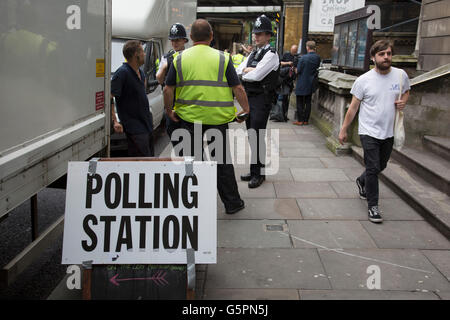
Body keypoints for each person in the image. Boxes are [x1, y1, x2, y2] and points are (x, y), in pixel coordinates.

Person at [163, 19, 250, 215]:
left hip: (188, 118)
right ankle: (232, 203)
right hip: (216, 120)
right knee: (221, 161)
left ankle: (197, 203)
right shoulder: (223, 58)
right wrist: (245, 109)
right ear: (212, 37)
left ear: (191, 38)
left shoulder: (179, 59)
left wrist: (169, 110)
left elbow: (168, 89)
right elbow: (237, 87)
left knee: (194, 160)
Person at [338, 40, 410, 223]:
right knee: (372, 168)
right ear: (373, 57)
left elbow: (407, 91)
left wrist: (404, 101)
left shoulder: (401, 75)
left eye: (388, 53)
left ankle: (362, 181)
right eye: (382, 54)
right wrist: (343, 129)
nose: (386, 57)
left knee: (381, 166)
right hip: (368, 131)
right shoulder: (364, 80)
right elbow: (353, 107)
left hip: (389, 131)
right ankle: (373, 206)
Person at [236, 15, 280, 189]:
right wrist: (249, 70)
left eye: (260, 34)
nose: (256, 37)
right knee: (251, 136)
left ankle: (258, 174)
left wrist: (249, 71)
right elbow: (239, 71)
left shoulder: (272, 54)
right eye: (255, 33)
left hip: (262, 100)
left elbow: (256, 76)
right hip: (250, 99)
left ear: (269, 35)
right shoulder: (254, 53)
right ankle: (255, 170)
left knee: (256, 136)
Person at [111, 40, 154, 157]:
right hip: (134, 128)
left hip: (146, 125)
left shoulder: (141, 73)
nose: (145, 54)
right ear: (136, 55)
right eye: (143, 52)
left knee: (150, 160)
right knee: (141, 163)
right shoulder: (122, 73)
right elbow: (110, 97)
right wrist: (115, 121)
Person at [156, 23, 189, 141]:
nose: (174, 43)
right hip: (173, 103)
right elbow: (159, 79)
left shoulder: (189, 56)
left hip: (188, 104)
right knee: (174, 136)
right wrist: (165, 66)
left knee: (190, 142)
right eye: (172, 40)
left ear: (184, 40)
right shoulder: (167, 57)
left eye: (178, 40)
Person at [293, 40, 321, 126]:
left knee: (300, 102)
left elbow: (298, 71)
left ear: (307, 47)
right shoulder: (317, 58)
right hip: (311, 82)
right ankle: (306, 120)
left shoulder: (303, 58)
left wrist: (294, 68)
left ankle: (300, 120)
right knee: (308, 102)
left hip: (302, 82)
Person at [277, 44, 299, 121]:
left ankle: (284, 115)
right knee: (281, 98)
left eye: (295, 51)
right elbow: (280, 63)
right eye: (292, 51)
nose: (293, 53)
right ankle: (279, 114)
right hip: (282, 79)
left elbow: (296, 69)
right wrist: (288, 63)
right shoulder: (286, 54)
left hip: (289, 80)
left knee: (286, 99)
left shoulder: (297, 57)